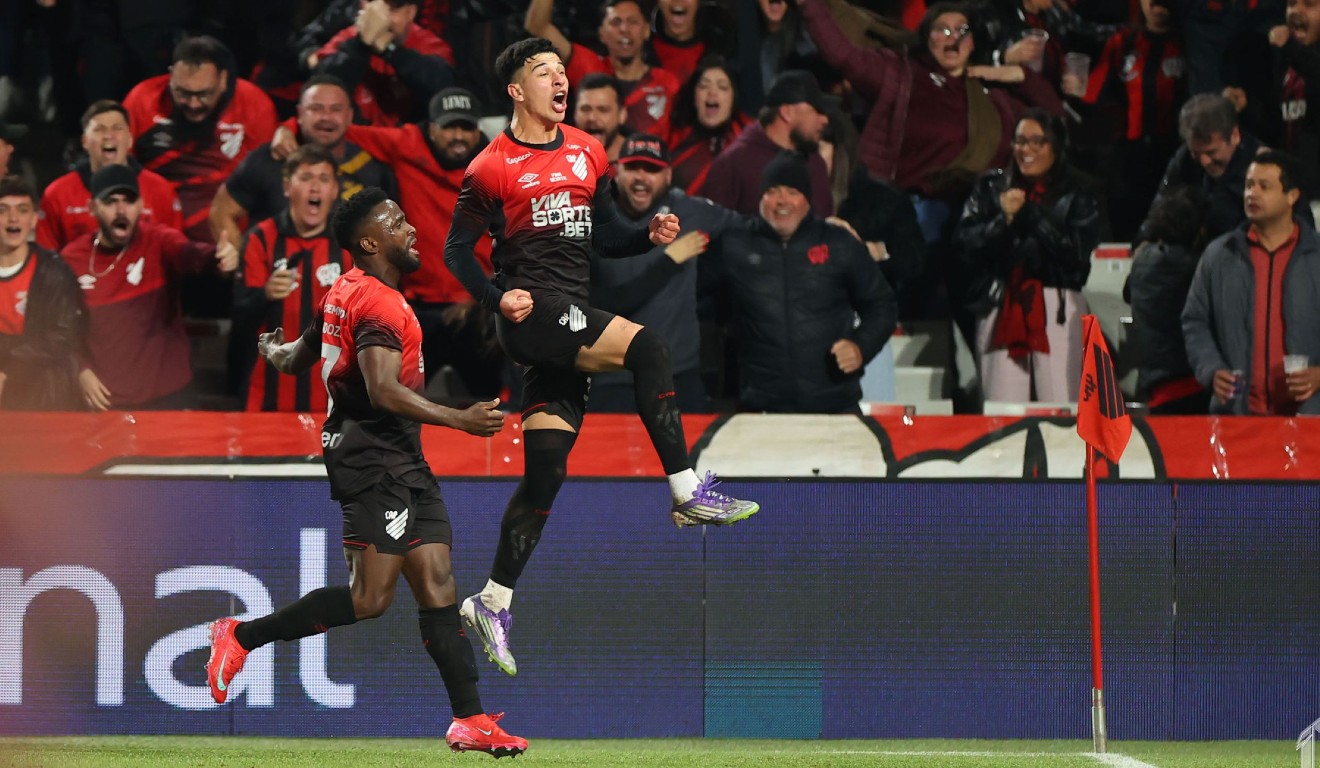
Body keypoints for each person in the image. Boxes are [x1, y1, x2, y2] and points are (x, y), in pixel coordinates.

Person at [443, 38, 759, 677]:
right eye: (544, 73)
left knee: (546, 475)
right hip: (534, 319)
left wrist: (648, 236)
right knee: (652, 348)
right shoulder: (491, 165)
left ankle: (491, 599)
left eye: (562, 71)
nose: (559, 80)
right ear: (515, 90)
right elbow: (455, 252)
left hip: (566, 325)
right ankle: (686, 489)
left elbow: (603, 237)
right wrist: (496, 298)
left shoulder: (589, 151)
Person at [204, 187, 527, 758]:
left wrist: (272, 351)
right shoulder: (377, 303)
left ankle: (470, 720)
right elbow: (381, 390)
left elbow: (296, 357)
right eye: (398, 222)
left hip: (400, 456)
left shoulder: (342, 291)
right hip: (371, 458)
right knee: (370, 598)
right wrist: (459, 417)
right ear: (370, 242)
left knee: (438, 582)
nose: (411, 229)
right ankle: (239, 636)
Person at [273, 86, 505, 399]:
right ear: (431, 128)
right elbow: (340, 128)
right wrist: (286, 129)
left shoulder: (498, 167)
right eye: (449, 127)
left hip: (476, 311)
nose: (459, 136)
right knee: (393, 405)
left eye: (466, 127)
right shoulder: (405, 144)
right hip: (417, 309)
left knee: (494, 405)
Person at [710, 151, 897, 412]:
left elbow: (882, 306)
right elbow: (700, 307)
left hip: (835, 406)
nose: (782, 201)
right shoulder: (733, 245)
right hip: (760, 411)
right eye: (773, 190)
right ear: (761, 198)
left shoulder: (839, 243)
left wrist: (860, 346)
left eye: (792, 191)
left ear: (808, 200)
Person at [59, 165, 239, 410]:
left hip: (167, 396)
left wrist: (216, 257)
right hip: (107, 398)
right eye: (111, 201)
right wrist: (81, 370)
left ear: (141, 205)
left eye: (129, 201)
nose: (121, 210)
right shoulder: (72, 258)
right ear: (92, 208)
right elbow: (60, 325)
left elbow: (189, 253)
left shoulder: (158, 240)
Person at [953, 110, 1101, 405]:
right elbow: (965, 245)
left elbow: (1076, 256)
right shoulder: (990, 188)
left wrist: (1029, 215)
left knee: (1061, 408)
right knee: (1003, 412)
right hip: (1001, 304)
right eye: (1020, 141)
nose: (1027, 150)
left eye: (1037, 142)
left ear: (1055, 147)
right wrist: (1003, 220)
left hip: (1058, 308)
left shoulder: (1079, 191)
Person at [589, 133, 741, 413]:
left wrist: (826, 226)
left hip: (678, 376)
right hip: (611, 379)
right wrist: (669, 262)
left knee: (686, 457)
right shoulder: (592, 217)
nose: (641, 177)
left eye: (653, 170)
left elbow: (751, 228)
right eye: (634, 167)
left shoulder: (690, 211)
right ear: (617, 170)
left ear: (668, 175)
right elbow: (599, 302)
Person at [1182, 150, 1320, 416]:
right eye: (1248, 185)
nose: (1251, 194)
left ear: (1291, 196)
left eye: (1264, 186)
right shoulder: (1219, 255)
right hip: (1236, 419)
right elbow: (1195, 321)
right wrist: (1211, 369)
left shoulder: (1315, 256)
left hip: (1309, 421)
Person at [209, 76, 396, 249]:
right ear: (299, 113)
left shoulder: (373, 169)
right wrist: (243, 266)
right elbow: (221, 211)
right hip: (276, 281)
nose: (326, 117)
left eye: (336, 109)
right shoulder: (271, 158)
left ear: (349, 115)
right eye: (316, 108)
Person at [123, 35, 277, 243]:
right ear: (170, 77)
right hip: (156, 239)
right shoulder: (143, 100)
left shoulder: (254, 104)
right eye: (183, 93)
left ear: (223, 80)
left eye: (203, 94)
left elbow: (267, 183)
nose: (193, 104)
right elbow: (122, 172)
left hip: (229, 241)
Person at [233, 146, 347, 412]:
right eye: (306, 178)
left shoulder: (349, 244)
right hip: (267, 392)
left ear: (334, 190)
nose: (315, 188)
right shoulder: (259, 239)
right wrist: (265, 294)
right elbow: (240, 315)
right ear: (287, 187)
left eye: (324, 179)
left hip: (333, 394)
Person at [38, 100, 183, 253]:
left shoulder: (160, 190)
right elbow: (46, 260)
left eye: (117, 128)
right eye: (99, 129)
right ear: (85, 142)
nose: (108, 135)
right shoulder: (57, 194)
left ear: (130, 139)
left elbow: (175, 252)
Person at [525, 0, 682, 137]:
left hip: (649, 169)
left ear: (646, 30)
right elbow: (537, 26)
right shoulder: (590, 68)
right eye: (615, 22)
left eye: (632, 21)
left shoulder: (667, 83)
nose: (624, 29)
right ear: (602, 34)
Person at [0, 176, 91, 411]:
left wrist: (7, 369)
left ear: (33, 220)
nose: (13, 219)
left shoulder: (54, 271)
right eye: (3, 210)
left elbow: (62, 336)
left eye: (22, 210)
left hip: (41, 396)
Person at [700, 69, 833, 217]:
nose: (825, 120)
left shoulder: (816, 164)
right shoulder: (733, 164)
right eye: (817, 111)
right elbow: (712, 229)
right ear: (787, 112)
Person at [1123, 185, 1209, 414]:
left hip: (1155, 384)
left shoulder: (1143, 260)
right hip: (1189, 383)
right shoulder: (1195, 267)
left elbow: (1127, 293)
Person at [1141, 94, 1269, 243]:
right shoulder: (1184, 159)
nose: (1204, 161)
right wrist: (1144, 241)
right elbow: (1160, 206)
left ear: (1234, 135)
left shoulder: (1265, 167)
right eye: (1196, 153)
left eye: (1211, 152)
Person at [313, 0, 456, 127]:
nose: (382, 19)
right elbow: (320, 88)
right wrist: (360, 45)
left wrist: (390, 51)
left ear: (411, 12)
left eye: (393, 8)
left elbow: (445, 93)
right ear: (363, 6)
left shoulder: (430, 46)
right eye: (374, 5)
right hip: (352, 143)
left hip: (408, 147)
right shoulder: (347, 39)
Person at [666, 55, 751, 196]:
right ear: (694, 97)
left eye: (722, 87)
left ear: (733, 98)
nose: (712, 92)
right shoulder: (673, 140)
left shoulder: (749, 142)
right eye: (704, 86)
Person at [573, 73, 629, 164]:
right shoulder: (559, 159)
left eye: (603, 110)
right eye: (585, 109)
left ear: (622, 115)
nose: (592, 118)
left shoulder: (638, 161)